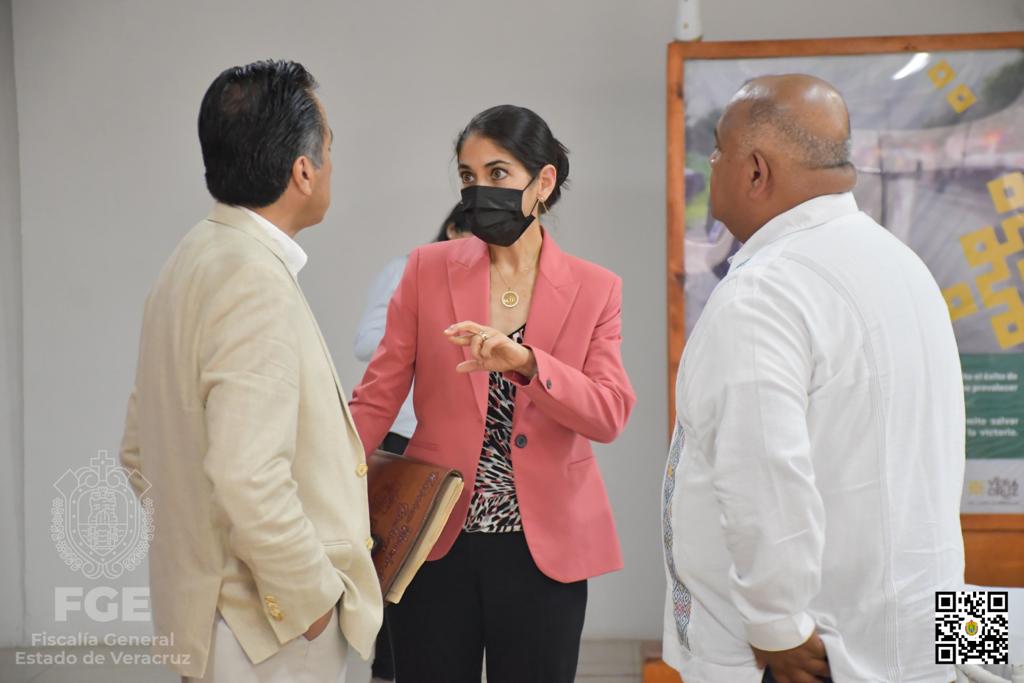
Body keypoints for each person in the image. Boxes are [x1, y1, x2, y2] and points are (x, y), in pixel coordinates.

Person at [662, 74, 965, 683]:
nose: (710, 165)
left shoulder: (764, 291)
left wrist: (777, 626)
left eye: (717, 150)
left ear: (756, 171)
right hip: (924, 636)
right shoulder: (901, 262)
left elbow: (762, 474)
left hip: (810, 654)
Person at [350, 104, 636, 683]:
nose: (479, 190)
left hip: (542, 548)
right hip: (433, 537)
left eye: (498, 173)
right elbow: (377, 397)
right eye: (468, 175)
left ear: (544, 182)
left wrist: (528, 364)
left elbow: (608, 413)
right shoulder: (426, 270)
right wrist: (325, 486)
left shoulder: (595, 288)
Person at [118, 60, 382, 682]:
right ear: (304, 171)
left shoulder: (189, 259)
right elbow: (246, 476)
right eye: (329, 148)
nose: (332, 165)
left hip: (210, 617)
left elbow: (138, 451)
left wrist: (200, 559)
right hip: (268, 632)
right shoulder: (252, 279)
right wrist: (310, 601)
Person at [352, 204, 470, 682]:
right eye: (471, 235)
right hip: (404, 437)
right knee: (398, 563)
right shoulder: (407, 270)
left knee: (440, 572)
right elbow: (367, 341)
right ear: (452, 229)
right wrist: (435, 330)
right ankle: (388, 668)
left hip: (455, 443)